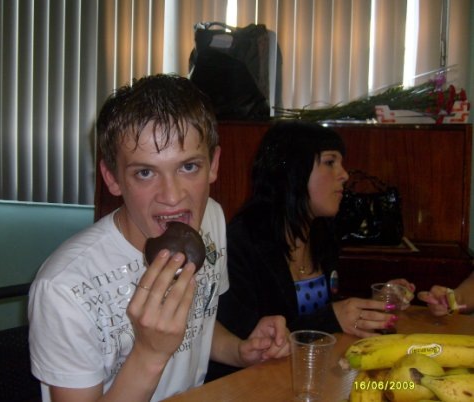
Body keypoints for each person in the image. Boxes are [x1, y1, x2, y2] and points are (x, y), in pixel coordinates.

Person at [28, 74, 290, 402]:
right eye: (145, 172)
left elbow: (198, 326)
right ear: (112, 178)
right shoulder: (63, 290)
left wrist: (240, 350)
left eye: (188, 167)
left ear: (213, 165)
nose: (172, 196)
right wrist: (149, 353)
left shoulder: (210, 220)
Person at [207, 120, 414, 381]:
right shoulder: (240, 243)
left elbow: (321, 310)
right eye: (330, 162)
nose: (344, 175)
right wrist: (331, 318)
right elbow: (250, 340)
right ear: (292, 171)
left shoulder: (322, 232)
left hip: (307, 376)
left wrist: (372, 303)